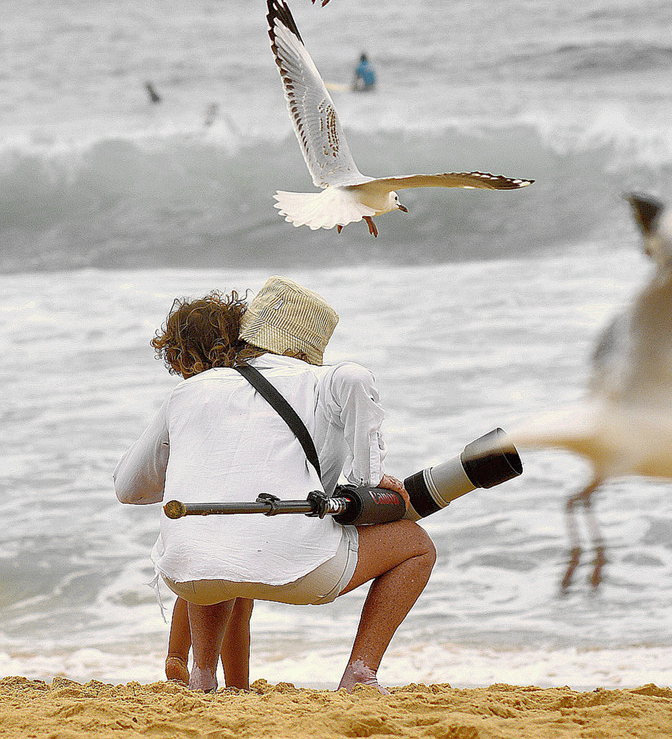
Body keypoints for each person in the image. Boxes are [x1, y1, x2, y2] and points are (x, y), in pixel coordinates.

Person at [115, 276, 435, 693]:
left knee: (214, 539)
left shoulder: (190, 390)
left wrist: (199, 472)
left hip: (190, 574)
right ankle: (360, 672)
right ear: (308, 347)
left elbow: (128, 489)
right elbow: (355, 381)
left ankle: (202, 675)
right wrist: (369, 481)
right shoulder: (324, 381)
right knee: (417, 546)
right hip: (300, 573)